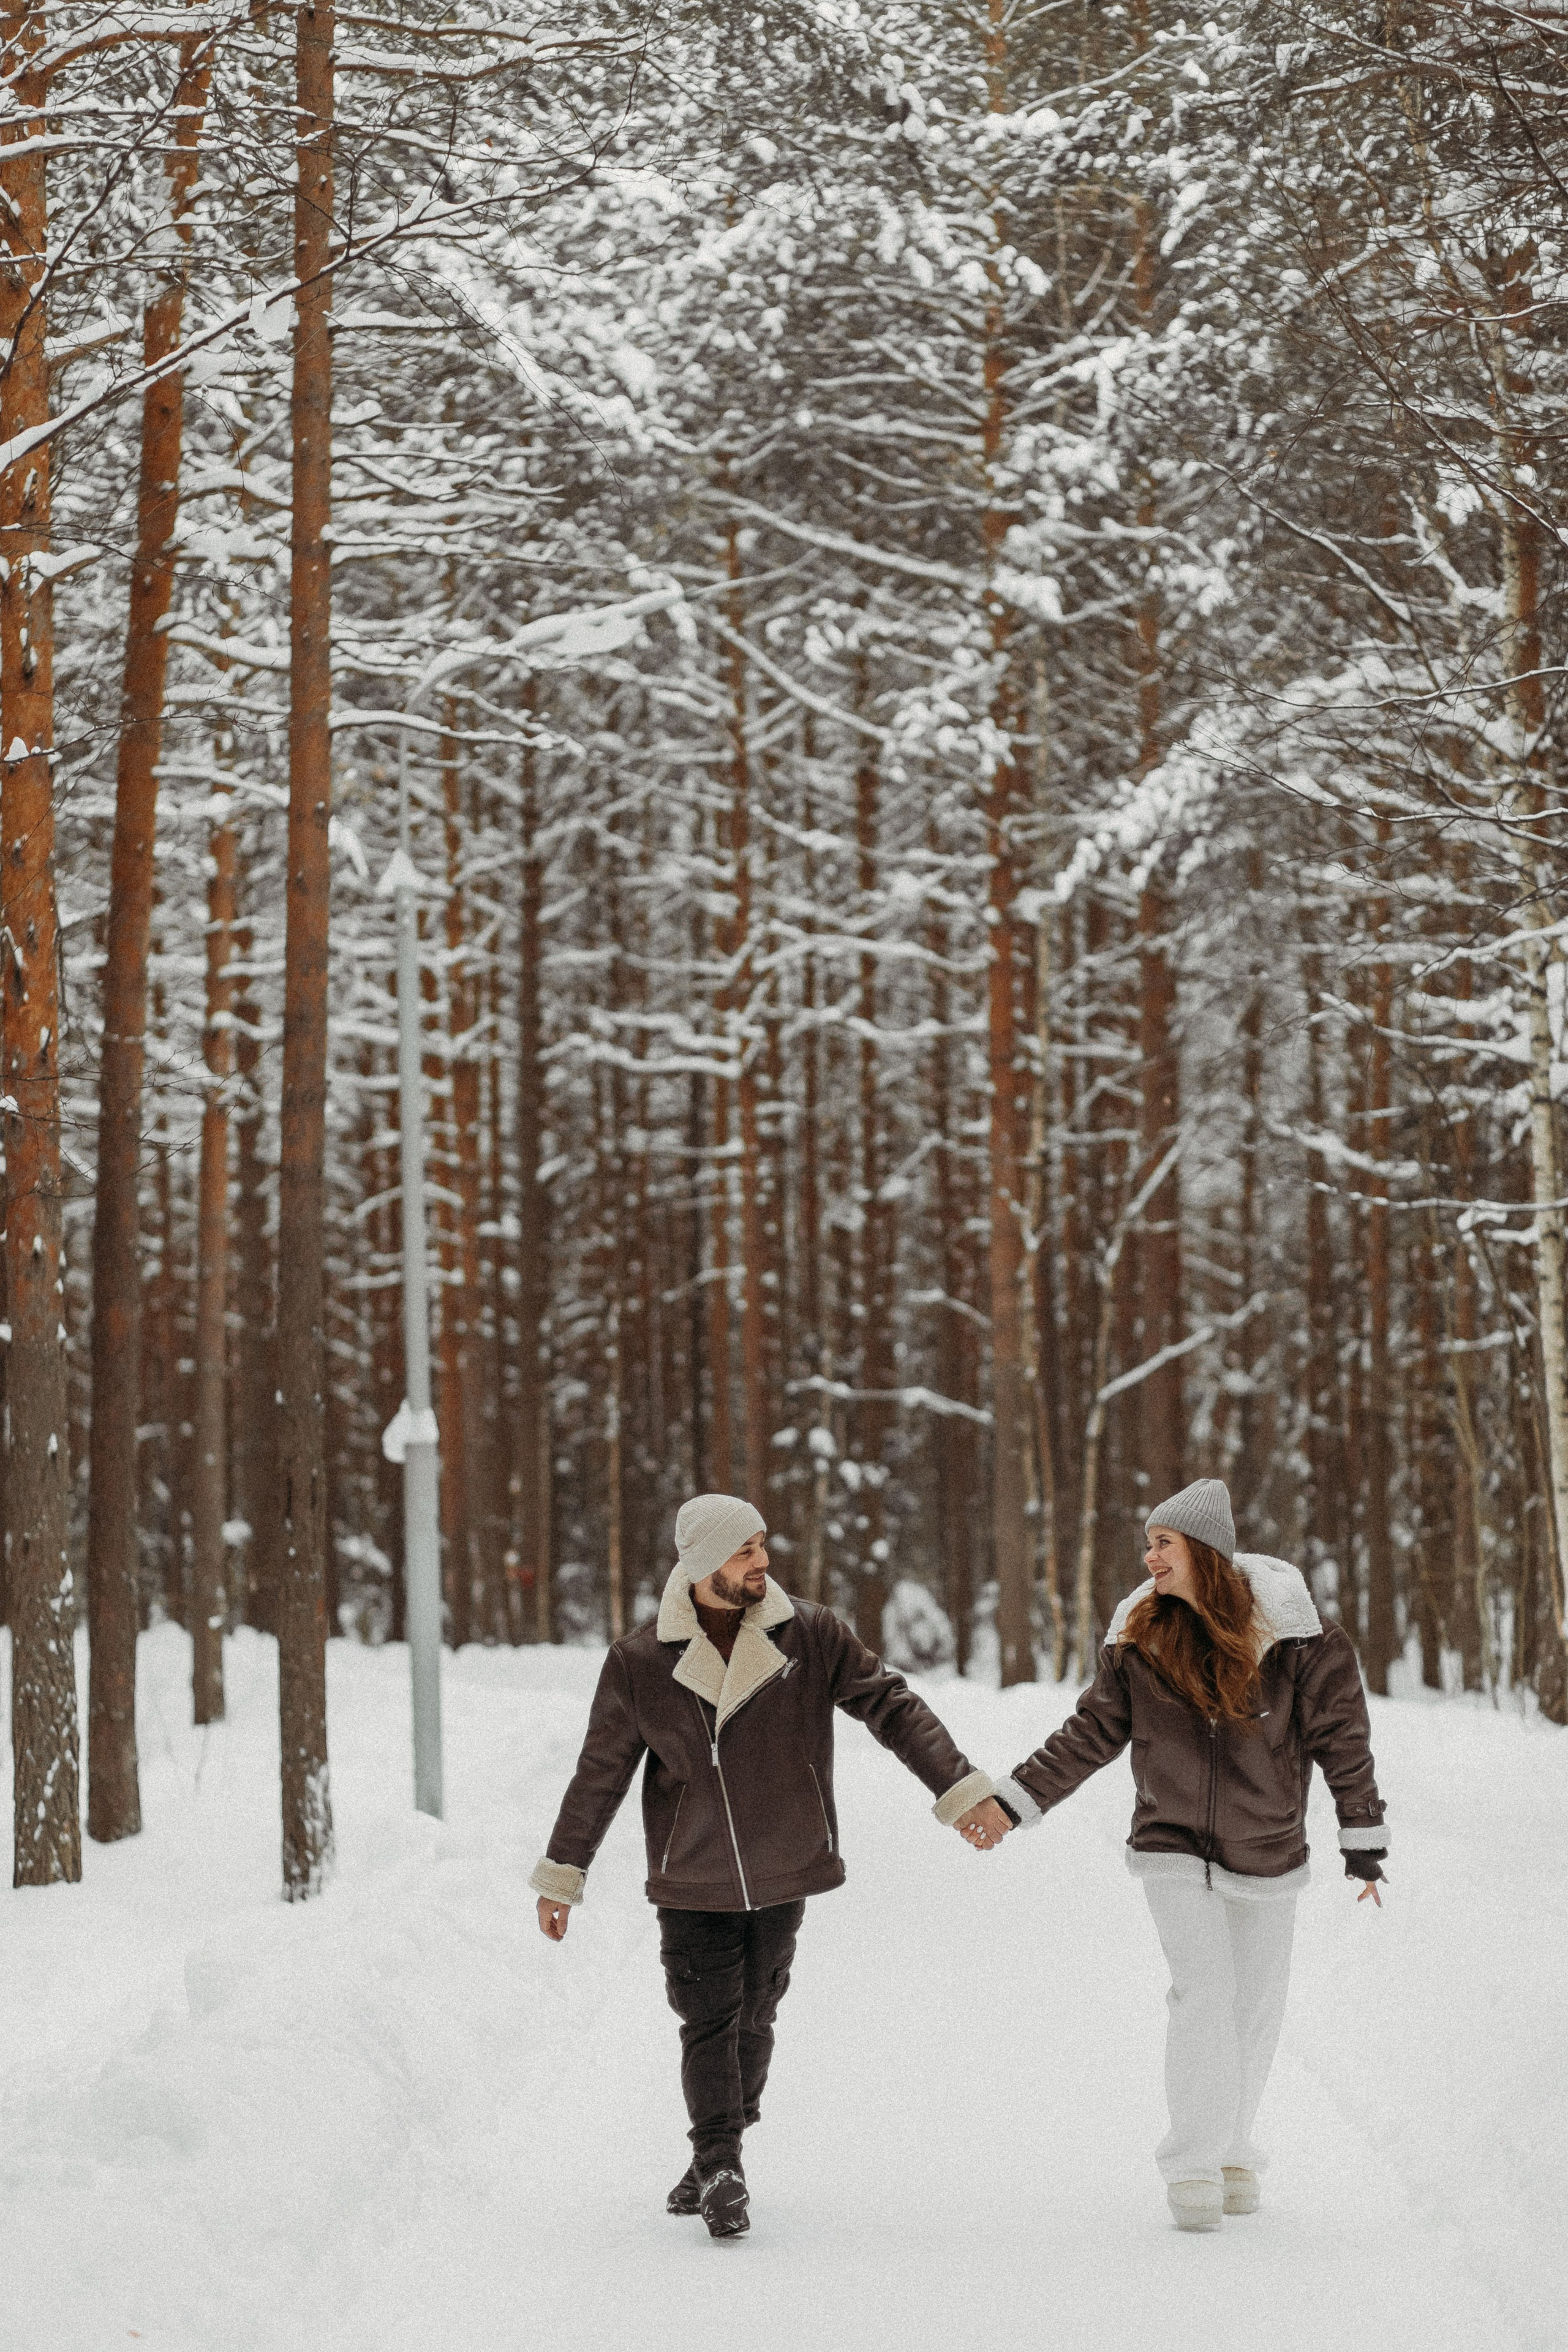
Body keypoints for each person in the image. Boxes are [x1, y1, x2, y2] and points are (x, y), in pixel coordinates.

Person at [530, 1491, 1003, 2239]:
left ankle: (718, 2148)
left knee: (756, 2012)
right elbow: (600, 1774)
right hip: (692, 1876)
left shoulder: (809, 1634)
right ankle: (719, 2162)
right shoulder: (638, 1662)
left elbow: (892, 1707)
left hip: (785, 1861)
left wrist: (960, 1788)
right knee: (706, 2019)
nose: (762, 1562)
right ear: (700, 1562)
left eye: (762, 1547)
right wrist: (564, 1872)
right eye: (744, 1550)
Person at [982, 1477, 1388, 2233]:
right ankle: (1193, 2165)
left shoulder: (1302, 1639)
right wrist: (1015, 1801)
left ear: (1203, 1550)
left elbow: (1343, 1742)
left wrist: (1361, 1838)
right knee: (1202, 1993)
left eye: (1162, 1543)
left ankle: (1234, 2148)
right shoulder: (1140, 1634)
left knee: (1256, 2006)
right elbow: (1089, 1735)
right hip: (1170, 1842)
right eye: (1149, 1543)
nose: (1149, 1557)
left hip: (1266, 1843)